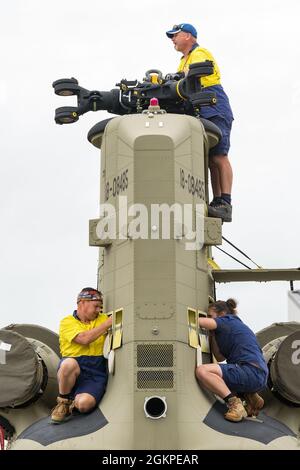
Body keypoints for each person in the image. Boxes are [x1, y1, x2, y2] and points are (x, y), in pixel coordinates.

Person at [166, 23, 234, 223]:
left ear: (188, 36)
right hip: (199, 106)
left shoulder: (200, 52)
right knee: (211, 159)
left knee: (220, 155)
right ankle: (218, 201)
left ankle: (226, 201)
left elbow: (192, 76)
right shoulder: (183, 60)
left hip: (214, 104)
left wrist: (176, 79)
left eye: (175, 35)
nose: (173, 39)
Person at [196, 298, 268, 422]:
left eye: (210, 315)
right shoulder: (235, 326)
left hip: (249, 371)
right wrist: (213, 334)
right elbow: (219, 357)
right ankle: (251, 397)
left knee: (203, 371)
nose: (209, 318)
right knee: (220, 378)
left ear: (222, 314)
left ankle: (235, 405)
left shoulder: (227, 320)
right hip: (258, 374)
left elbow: (199, 321)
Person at [51, 287, 112, 424]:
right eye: (96, 306)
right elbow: (84, 339)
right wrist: (108, 323)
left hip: (95, 372)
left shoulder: (102, 318)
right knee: (68, 364)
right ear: (82, 302)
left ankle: (76, 402)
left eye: (100, 307)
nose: (98, 310)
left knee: (84, 405)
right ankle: (64, 402)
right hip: (74, 369)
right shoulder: (67, 322)